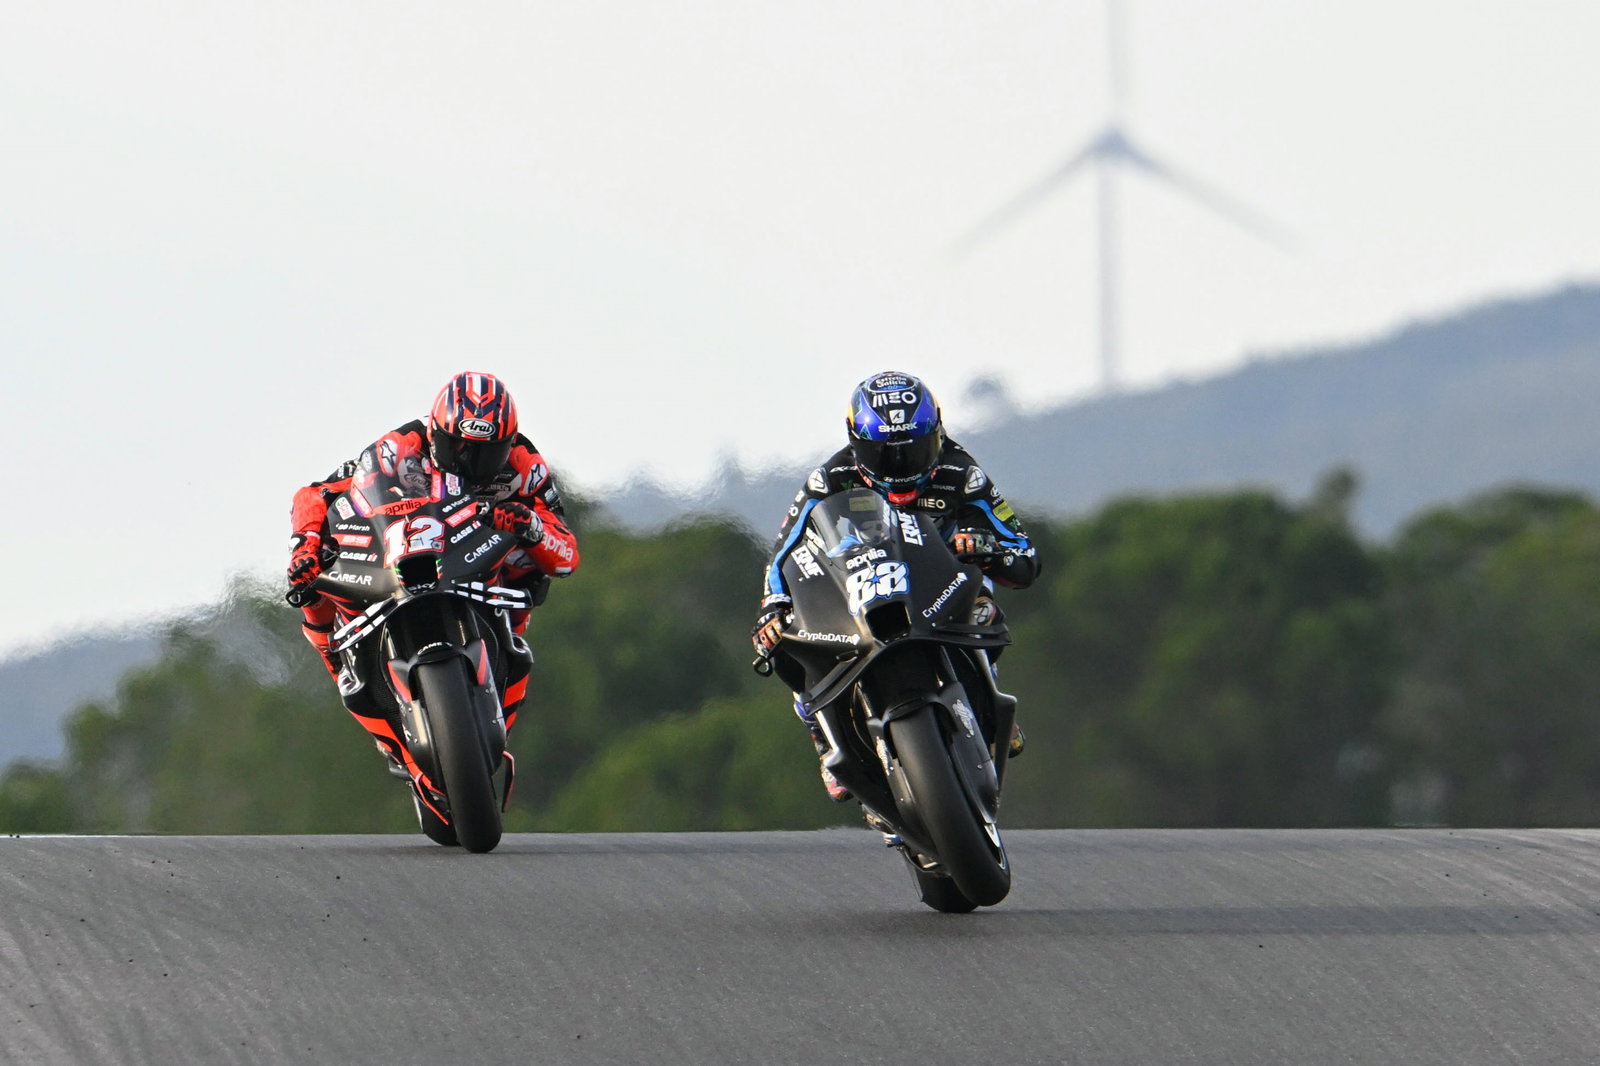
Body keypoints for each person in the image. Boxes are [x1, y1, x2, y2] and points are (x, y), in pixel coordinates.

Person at [752, 370, 1039, 801]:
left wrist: (984, 546)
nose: (901, 464)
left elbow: (1022, 552)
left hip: (939, 581)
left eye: (915, 449)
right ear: (857, 444)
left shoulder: (962, 473)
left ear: (937, 434)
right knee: (785, 642)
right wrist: (773, 607)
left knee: (985, 608)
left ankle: (987, 697)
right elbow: (783, 552)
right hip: (856, 588)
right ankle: (823, 738)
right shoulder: (828, 479)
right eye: (883, 453)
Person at [286, 370, 580, 774]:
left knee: (532, 560)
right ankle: (334, 658)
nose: (467, 459)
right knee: (309, 580)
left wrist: (529, 526)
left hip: (476, 557)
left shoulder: (525, 464)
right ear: (434, 431)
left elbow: (566, 554)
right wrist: (305, 544)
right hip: (404, 554)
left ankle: (509, 636)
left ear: (508, 444)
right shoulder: (398, 448)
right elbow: (313, 494)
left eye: (485, 452)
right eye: (456, 445)